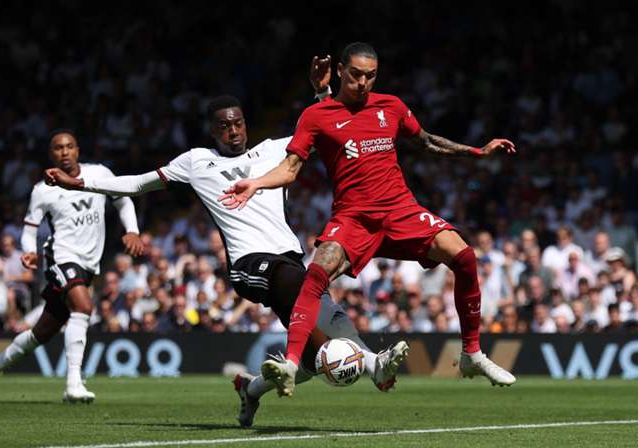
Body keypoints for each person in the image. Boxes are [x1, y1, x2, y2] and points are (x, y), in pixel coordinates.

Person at [44, 58, 408, 428]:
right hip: (250, 265)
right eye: (224, 126)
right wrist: (81, 183)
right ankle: (374, 363)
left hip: (290, 261)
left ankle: (250, 389)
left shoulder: (274, 150)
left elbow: (327, 127)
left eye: (238, 123)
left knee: (320, 354)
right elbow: (137, 184)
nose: (233, 131)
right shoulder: (197, 162)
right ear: (213, 131)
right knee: (305, 292)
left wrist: (321, 92)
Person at [220, 42, 516, 396]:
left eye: (370, 76)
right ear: (342, 70)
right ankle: (292, 363)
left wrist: (477, 151)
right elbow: (289, 168)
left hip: (399, 210)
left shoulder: (390, 106)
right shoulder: (317, 116)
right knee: (315, 275)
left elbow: (426, 141)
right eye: (357, 74)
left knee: (465, 256)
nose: (363, 82)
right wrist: (255, 183)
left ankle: (471, 354)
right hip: (353, 218)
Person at [0, 129, 143, 403]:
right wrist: (29, 252)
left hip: (89, 264)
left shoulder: (100, 174)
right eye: (58, 148)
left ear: (78, 150)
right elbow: (29, 230)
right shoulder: (43, 190)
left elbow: (123, 200)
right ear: (51, 154)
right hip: (60, 256)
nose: (64, 152)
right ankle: (73, 384)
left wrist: (132, 230)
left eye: (69, 147)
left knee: (41, 333)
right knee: (84, 307)